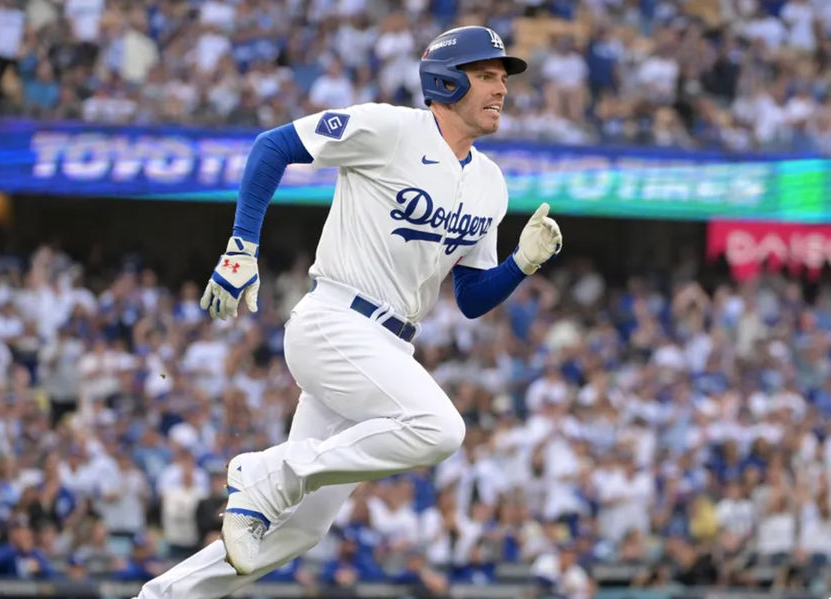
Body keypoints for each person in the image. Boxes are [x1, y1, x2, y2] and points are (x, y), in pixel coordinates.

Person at [136, 25, 562, 598]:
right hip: (334, 320)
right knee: (440, 428)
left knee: (299, 530)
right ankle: (269, 472)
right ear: (445, 80)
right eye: (486, 75)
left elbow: (471, 297)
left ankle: (161, 596)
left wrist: (520, 265)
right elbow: (272, 146)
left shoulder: (490, 184)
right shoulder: (390, 129)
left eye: (502, 78)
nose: (501, 89)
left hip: (387, 347)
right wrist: (241, 246)